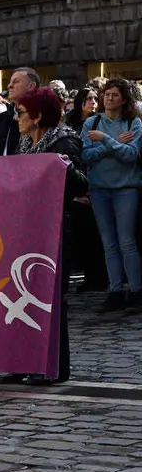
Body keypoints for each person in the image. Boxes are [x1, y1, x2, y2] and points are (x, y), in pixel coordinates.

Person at [0, 87, 82, 385]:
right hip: (24, 226)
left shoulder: (64, 140)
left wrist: (63, 167)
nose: (16, 118)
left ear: (37, 116)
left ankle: (54, 367)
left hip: (54, 227)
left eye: (21, 113)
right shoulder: (24, 142)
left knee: (49, 298)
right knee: (21, 294)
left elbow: (80, 184)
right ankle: (24, 361)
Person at [81, 78, 142, 313]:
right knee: (109, 243)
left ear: (124, 99)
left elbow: (130, 155)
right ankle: (115, 290)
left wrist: (106, 140)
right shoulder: (92, 123)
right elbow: (86, 156)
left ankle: (136, 290)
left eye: (115, 95)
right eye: (107, 94)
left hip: (126, 188)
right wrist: (115, 144)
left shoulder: (133, 123)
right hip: (99, 188)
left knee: (127, 241)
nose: (109, 98)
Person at [0, 67, 41, 157]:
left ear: (31, 86)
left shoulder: (40, 117)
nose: (9, 86)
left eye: (16, 82)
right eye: (10, 82)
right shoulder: (2, 118)